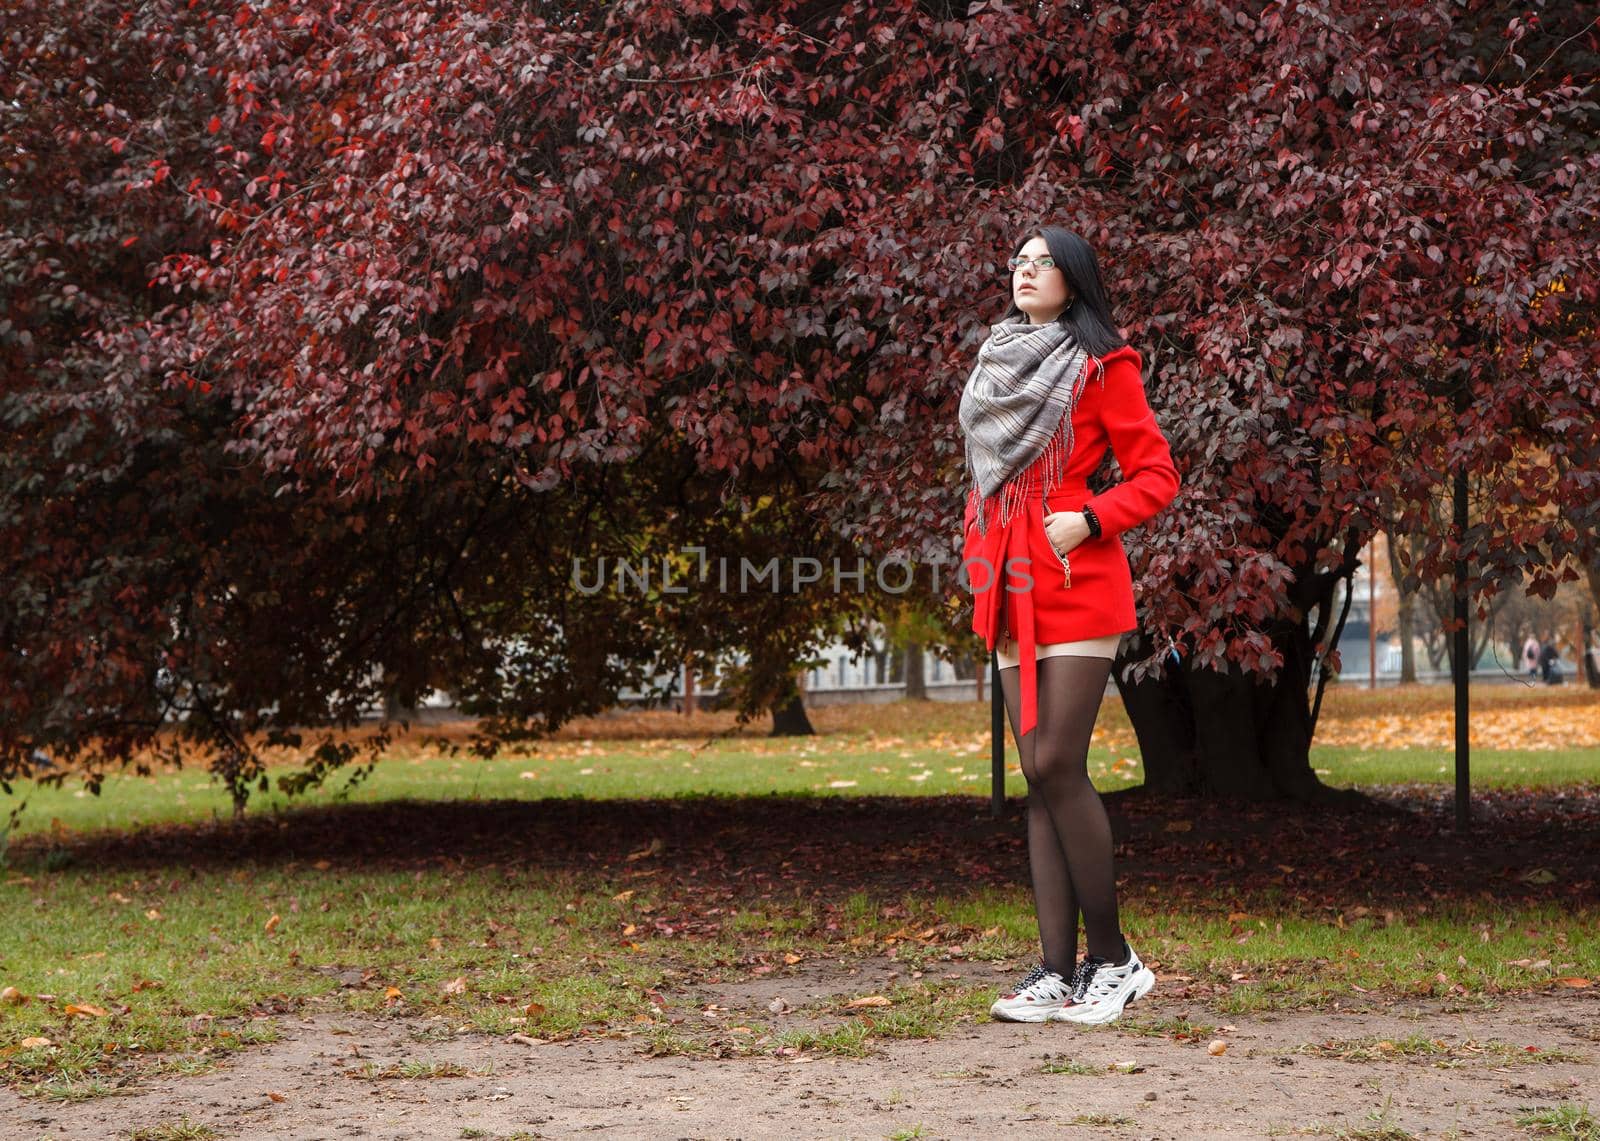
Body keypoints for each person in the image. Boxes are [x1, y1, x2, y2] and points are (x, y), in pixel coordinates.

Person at [958, 226, 1180, 1025]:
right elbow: (987, 480)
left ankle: (1115, 960)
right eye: (1017, 259)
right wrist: (981, 556)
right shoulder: (996, 361)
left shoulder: (1100, 366)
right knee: (1038, 775)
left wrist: (1089, 517)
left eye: (1042, 260)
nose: (1025, 270)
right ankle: (1057, 970)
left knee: (1057, 759)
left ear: (1074, 279)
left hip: (1077, 575)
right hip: (1011, 577)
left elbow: (1157, 474)